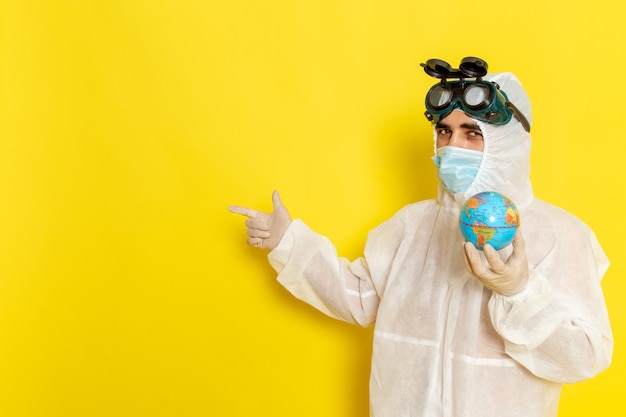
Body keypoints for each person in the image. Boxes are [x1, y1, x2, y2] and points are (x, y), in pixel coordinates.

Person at [228, 57, 613, 417]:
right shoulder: (412, 226)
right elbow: (361, 298)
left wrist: (520, 293)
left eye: (472, 133)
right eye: (444, 132)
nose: (452, 147)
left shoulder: (560, 234)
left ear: (508, 143)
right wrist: (288, 243)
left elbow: (584, 357)